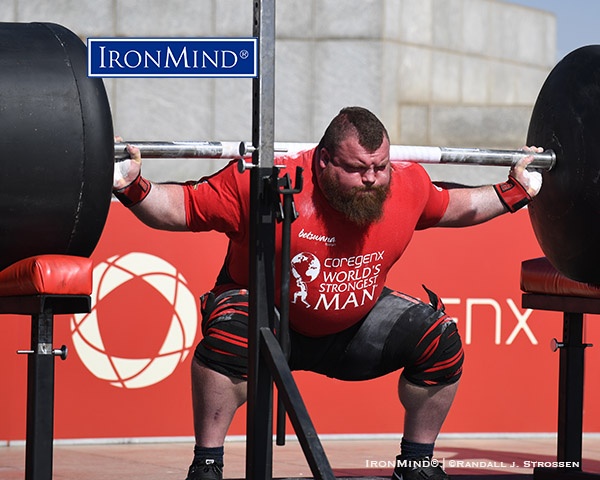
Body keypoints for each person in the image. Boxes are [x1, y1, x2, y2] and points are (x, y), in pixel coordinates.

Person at [113, 107, 543, 480]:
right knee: (230, 337)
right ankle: (207, 464)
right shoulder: (264, 180)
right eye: (357, 169)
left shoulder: (406, 185)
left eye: (380, 166)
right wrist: (130, 185)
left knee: (440, 340)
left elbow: (457, 207)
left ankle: (416, 464)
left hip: (352, 331)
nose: (372, 179)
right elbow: (178, 208)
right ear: (322, 161)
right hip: (268, 323)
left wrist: (516, 190)